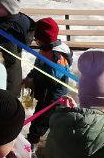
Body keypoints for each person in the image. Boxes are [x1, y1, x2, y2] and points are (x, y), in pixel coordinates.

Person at [24, 18, 73, 146]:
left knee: (42, 120)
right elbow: (38, 66)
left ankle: (32, 144)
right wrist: (30, 76)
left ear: (44, 38)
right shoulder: (46, 49)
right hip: (45, 94)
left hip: (54, 97)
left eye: (37, 38)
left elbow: (54, 76)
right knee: (44, 119)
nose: (35, 41)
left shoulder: (57, 54)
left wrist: (35, 78)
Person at [0, 0, 33, 99]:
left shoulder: (9, 28)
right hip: (9, 73)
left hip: (7, 77)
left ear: (9, 9)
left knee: (5, 102)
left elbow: (9, 58)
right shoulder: (11, 20)